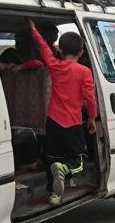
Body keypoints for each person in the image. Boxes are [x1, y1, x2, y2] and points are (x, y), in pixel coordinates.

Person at [29, 19, 98, 206]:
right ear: (81, 52)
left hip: (53, 122)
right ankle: (65, 169)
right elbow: (90, 99)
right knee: (79, 161)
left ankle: (54, 195)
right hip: (73, 123)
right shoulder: (84, 72)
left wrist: (34, 30)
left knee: (51, 159)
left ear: (60, 50)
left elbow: (44, 49)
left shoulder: (54, 65)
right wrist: (92, 118)